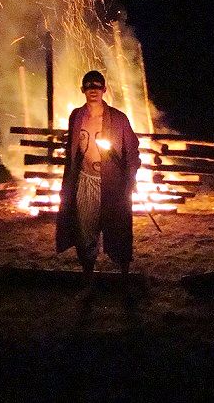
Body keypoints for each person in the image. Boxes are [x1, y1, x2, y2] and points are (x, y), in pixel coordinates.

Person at [56, 70, 141, 297]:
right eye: (88, 85)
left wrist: (131, 178)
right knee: (85, 231)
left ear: (104, 89)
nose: (93, 89)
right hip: (85, 181)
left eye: (97, 85)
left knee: (119, 230)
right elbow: (71, 152)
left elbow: (132, 150)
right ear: (83, 89)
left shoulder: (118, 118)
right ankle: (89, 283)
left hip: (112, 184)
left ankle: (124, 281)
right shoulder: (76, 116)